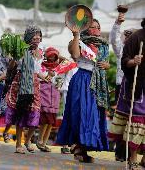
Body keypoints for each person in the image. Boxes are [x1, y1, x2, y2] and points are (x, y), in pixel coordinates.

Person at [56, 19, 110, 163]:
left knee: (93, 116)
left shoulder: (103, 45)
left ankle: (83, 149)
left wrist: (107, 65)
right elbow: (74, 55)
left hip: (97, 82)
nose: (97, 30)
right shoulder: (80, 42)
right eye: (93, 27)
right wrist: (76, 36)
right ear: (86, 29)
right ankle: (78, 146)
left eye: (98, 27)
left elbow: (106, 64)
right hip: (82, 80)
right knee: (82, 114)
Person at [5, 25, 48, 154]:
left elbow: (37, 70)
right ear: (28, 36)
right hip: (21, 83)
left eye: (39, 35)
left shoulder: (40, 52)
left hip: (35, 84)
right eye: (34, 35)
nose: (37, 37)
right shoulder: (22, 50)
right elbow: (12, 66)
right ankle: (18, 144)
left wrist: (44, 77)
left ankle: (27, 140)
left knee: (35, 114)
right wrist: (15, 56)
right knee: (21, 113)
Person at [111, 18, 145, 169]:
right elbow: (124, 61)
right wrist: (134, 61)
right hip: (136, 86)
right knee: (136, 122)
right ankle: (132, 159)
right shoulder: (136, 37)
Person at [108, 12, 136, 162]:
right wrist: (118, 24)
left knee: (135, 121)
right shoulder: (121, 50)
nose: (129, 38)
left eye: (132, 36)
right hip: (122, 87)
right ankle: (120, 153)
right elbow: (113, 38)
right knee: (121, 120)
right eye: (127, 35)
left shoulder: (139, 52)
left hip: (137, 88)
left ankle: (131, 153)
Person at [36, 47, 62, 152]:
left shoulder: (59, 68)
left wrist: (57, 81)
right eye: (50, 55)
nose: (52, 57)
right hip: (44, 97)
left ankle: (44, 142)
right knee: (44, 121)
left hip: (54, 98)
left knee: (51, 122)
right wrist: (48, 75)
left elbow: (59, 81)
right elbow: (38, 78)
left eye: (54, 55)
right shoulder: (41, 65)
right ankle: (39, 140)